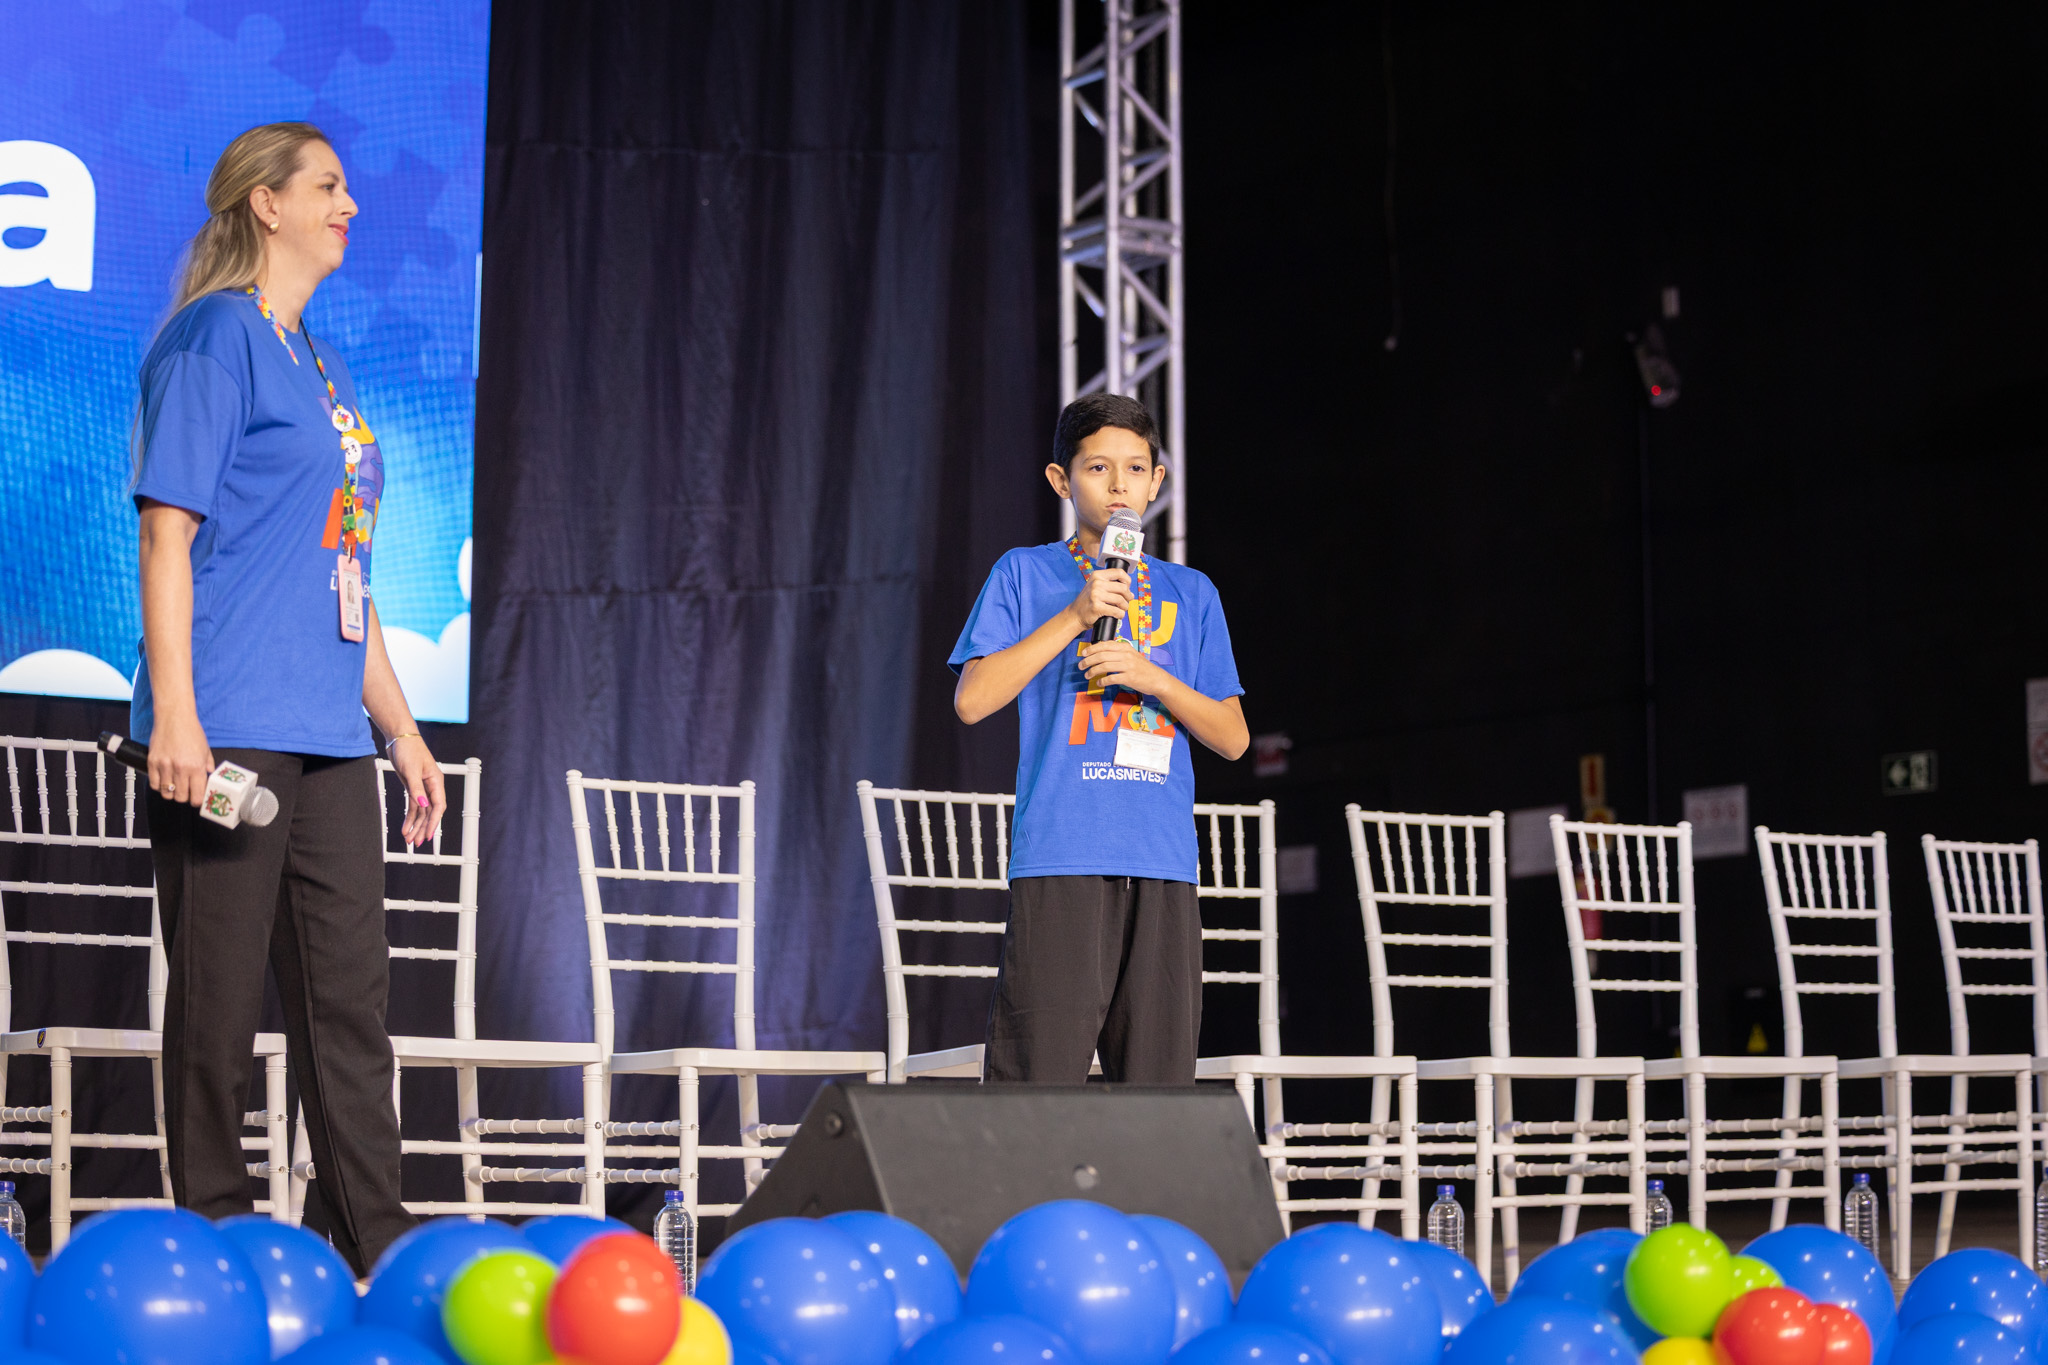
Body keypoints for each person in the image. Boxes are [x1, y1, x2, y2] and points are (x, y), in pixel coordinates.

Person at [130, 122, 439, 1273]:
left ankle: (371, 1242)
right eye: (328, 186)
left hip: (328, 733)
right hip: (227, 723)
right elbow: (168, 534)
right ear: (266, 204)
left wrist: (400, 728)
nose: (348, 204)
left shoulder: (323, 363)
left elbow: (343, 565)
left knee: (350, 1004)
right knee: (216, 1004)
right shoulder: (213, 337)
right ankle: (216, 1234)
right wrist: (176, 713)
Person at [950, 394, 1249, 1083]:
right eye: (1097, 468)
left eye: (1135, 468)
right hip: (1063, 853)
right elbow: (973, 699)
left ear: (1157, 481)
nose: (1119, 485)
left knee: (1156, 1086)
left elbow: (1233, 738)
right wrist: (1076, 614)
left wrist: (1154, 678)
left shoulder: (1192, 592)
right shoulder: (1023, 573)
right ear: (1062, 479)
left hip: (1162, 860)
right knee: (1040, 1079)